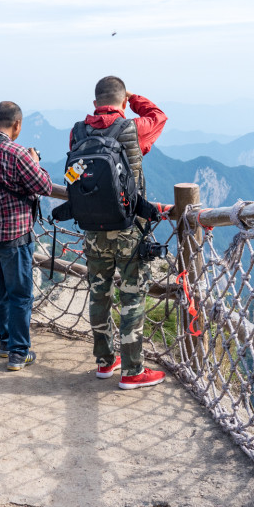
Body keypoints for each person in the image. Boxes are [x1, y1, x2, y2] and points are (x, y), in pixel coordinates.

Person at [73, 76, 168, 389]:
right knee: (132, 298)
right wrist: (134, 96)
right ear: (123, 102)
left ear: (94, 103)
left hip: (91, 229)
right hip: (128, 229)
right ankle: (132, 371)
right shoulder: (132, 128)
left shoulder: (78, 131)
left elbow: (77, 175)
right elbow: (158, 116)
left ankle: (105, 362)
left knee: (99, 294)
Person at [0, 102, 54, 370]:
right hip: (13, 235)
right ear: (16, 125)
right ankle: (18, 353)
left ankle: (5, 343)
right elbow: (45, 186)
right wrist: (36, 163)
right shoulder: (17, 154)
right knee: (20, 294)